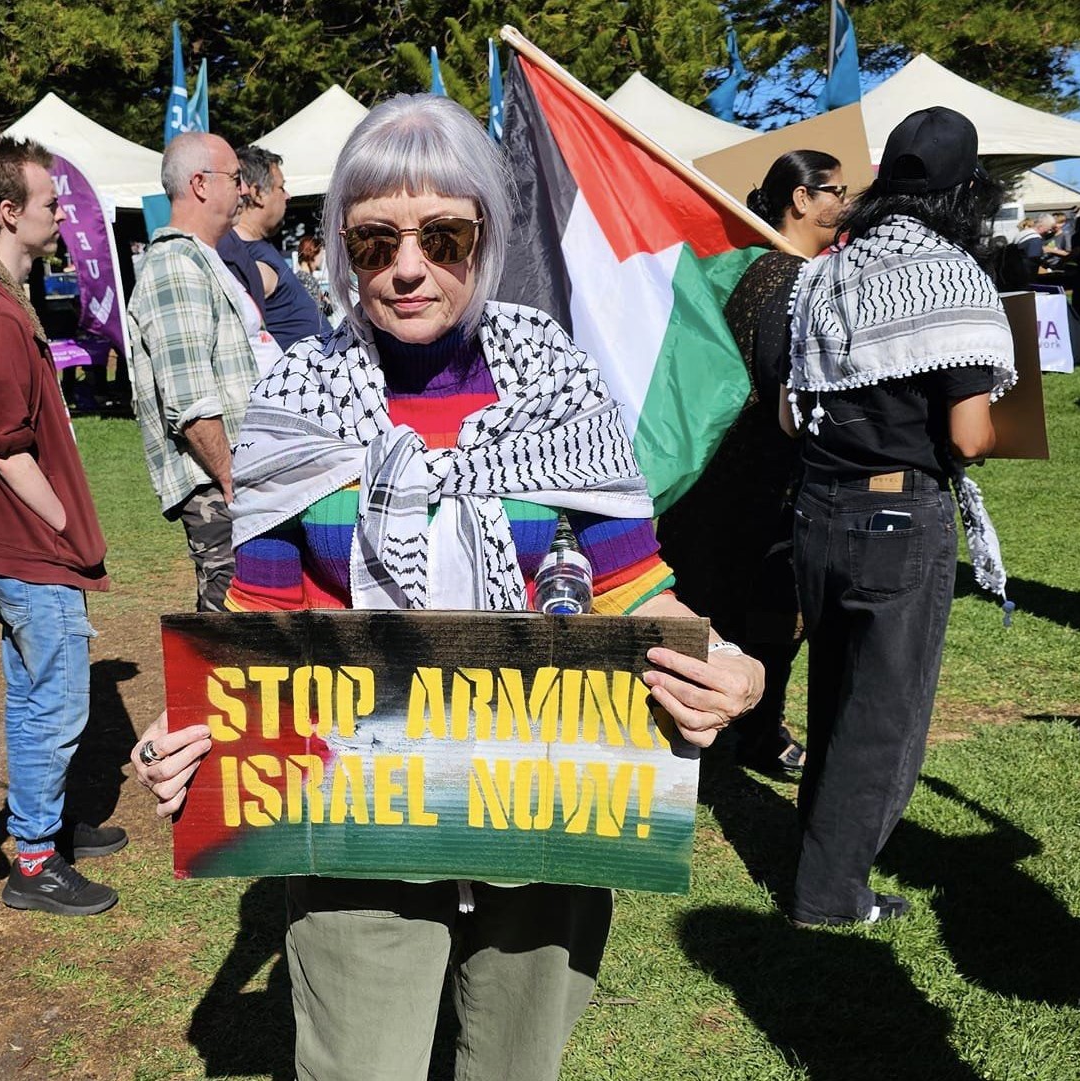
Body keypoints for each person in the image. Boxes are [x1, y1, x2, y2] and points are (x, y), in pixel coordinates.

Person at [130, 94, 765, 1080]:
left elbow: (633, 585)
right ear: (341, 247)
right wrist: (194, 725)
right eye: (376, 239)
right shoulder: (298, 399)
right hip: (350, 816)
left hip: (552, 809)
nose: (409, 266)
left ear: (488, 235)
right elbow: (263, 618)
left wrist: (720, 661)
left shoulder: (560, 384)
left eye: (444, 234)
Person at [781, 107, 1016, 927]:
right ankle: (830, 891)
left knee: (836, 692)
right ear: (966, 189)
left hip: (816, 506)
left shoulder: (825, 273)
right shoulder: (953, 276)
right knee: (884, 715)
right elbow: (968, 434)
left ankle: (818, 858)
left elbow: (788, 415)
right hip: (897, 511)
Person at [0, 132, 125, 918]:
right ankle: (37, 861)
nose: (62, 213)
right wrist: (66, 530)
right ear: (9, 212)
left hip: (17, 547)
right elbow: (5, 444)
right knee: (57, 704)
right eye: (50, 203)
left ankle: (41, 825)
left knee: (32, 696)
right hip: (27, 549)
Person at [657, 150, 845, 779]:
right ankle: (735, 736)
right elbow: (790, 397)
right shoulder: (787, 281)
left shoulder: (736, 271)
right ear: (800, 200)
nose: (843, 203)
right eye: (834, 191)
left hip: (708, 473)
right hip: (757, 480)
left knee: (713, 606)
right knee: (753, 619)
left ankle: (730, 735)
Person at [126, 132, 262, 612]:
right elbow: (190, 402)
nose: (245, 190)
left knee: (253, 624)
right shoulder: (174, 265)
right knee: (231, 627)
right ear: (201, 184)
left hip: (238, 478)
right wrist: (231, 478)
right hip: (218, 484)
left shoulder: (202, 259)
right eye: (236, 178)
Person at [231, 146, 331, 349]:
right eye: (281, 188)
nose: (288, 196)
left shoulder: (252, 249)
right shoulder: (244, 260)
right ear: (257, 193)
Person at [294, 234, 334, 324]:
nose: (322, 258)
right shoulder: (307, 279)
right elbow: (316, 311)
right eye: (321, 254)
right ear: (313, 253)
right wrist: (328, 303)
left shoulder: (298, 277)